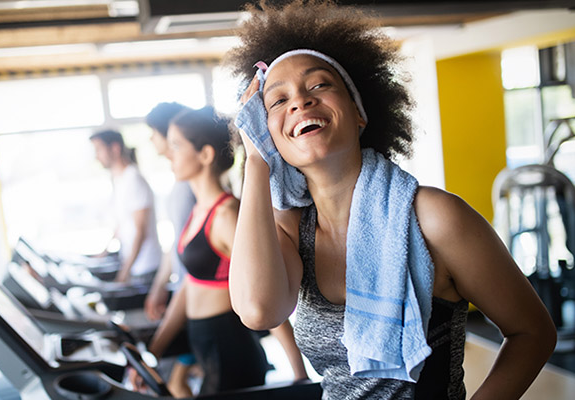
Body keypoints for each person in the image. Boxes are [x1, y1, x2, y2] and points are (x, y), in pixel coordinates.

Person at [226, 1, 556, 400]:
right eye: (278, 101)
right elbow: (258, 311)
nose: (300, 101)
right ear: (267, 133)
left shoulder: (434, 218)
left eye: (319, 85)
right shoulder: (290, 232)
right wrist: (257, 162)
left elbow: (532, 332)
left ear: (359, 113)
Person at [133, 106, 307, 397]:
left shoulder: (227, 215)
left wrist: (300, 375)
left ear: (205, 155)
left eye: (177, 145)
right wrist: (154, 350)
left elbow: (266, 298)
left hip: (229, 349)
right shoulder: (198, 210)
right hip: (203, 341)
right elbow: (191, 284)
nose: (168, 153)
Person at [144, 102, 199, 397]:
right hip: (183, 295)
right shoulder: (179, 184)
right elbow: (177, 245)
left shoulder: (190, 187)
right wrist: (159, 287)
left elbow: (197, 256)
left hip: (193, 299)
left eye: (153, 133)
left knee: (177, 382)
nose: (152, 141)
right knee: (178, 381)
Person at [90, 129, 161, 283]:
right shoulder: (119, 180)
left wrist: (125, 271)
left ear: (115, 148)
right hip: (134, 264)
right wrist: (104, 251)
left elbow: (140, 231)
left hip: (145, 267)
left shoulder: (133, 180)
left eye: (99, 150)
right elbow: (122, 223)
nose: (96, 156)